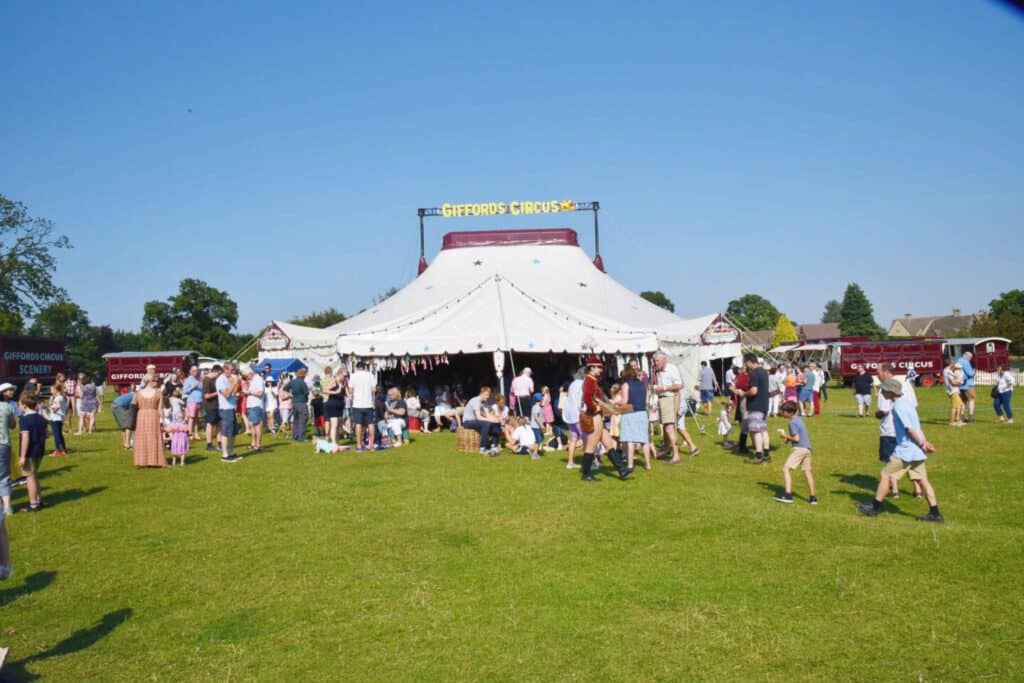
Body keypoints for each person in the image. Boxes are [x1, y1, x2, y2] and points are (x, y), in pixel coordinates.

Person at [857, 378, 943, 522]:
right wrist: (924, 443)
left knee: (885, 474)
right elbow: (917, 427)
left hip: (906, 451)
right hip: (917, 452)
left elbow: (909, 429)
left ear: (890, 391)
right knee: (923, 481)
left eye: (883, 390)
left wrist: (923, 444)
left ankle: (874, 508)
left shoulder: (898, 407)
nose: (881, 392)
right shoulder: (908, 403)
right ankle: (935, 513)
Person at [579, 356, 630, 482]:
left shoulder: (592, 380)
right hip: (594, 416)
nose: (601, 370)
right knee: (591, 446)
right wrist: (594, 408)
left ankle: (621, 470)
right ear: (592, 368)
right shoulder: (590, 380)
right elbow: (587, 397)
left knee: (608, 443)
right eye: (599, 367)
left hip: (598, 417)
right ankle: (586, 474)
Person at [876, 363, 922, 499]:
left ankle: (894, 490)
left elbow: (883, 410)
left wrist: (877, 414)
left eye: (877, 371)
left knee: (891, 462)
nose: (876, 375)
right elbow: (914, 404)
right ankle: (918, 489)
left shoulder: (884, 389)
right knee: (912, 461)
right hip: (908, 431)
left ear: (885, 372)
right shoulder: (906, 383)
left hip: (890, 430)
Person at [773, 401, 817, 505]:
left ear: (790, 412)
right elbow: (797, 437)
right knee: (807, 472)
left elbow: (796, 439)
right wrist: (787, 438)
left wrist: (785, 436)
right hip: (807, 449)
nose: (782, 413)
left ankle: (788, 495)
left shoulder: (792, 422)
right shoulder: (799, 420)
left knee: (786, 469)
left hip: (799, 449)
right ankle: (813, 498)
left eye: (783, 411)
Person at [652, 351, 691, 463]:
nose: (655, 363)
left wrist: (663, 388)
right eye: (654, 361)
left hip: (669, 399)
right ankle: (667, 450)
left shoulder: (672, 369)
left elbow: (679, 385)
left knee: (669, 428)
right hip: (662, 400)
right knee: (665, 428)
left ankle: (676, 455)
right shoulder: (657, 370)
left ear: (664, 360)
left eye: (657, 361)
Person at [737, 353, 771, 465]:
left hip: (756, 405)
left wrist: (744, 393)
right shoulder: (764, 372)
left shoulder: (754, 373)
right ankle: (766, 454)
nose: (746, 365)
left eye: (746, 363)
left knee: (755, 431)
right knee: (763, 430)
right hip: (764, 405)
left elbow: (754, 391)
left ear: (749, 361)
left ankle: (758, 455)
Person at [618, 365, 652, 471]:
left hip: (630, 413)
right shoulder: (643, 384)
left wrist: (616, 402)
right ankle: (647, 464)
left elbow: (624, 401)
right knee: (644, 440)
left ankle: (630, 465)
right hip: (642, 413)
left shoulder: (625, 385)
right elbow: (646, 401)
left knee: (630, 440)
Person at [18, 396, 49, 512]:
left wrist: (22, 456)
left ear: (24, 406)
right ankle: (39, 499)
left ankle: (33, 504)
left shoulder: (25, 420)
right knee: (34, 475)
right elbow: (46, 434)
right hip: (40, 450)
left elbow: (25, 438)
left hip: (29, 452)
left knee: (29, 477)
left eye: (19, 404)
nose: (19, 407)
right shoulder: (41, 417)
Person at [132, 375, 167, 468]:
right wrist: (163, 419)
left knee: (148, 437)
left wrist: (163, 420)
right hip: (151, 414)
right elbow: (160, 408)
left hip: (143, 415)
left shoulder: (139, 392)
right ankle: (149, 460)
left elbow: (133, 403)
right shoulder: (158, 392)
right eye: (154, 380)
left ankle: (146, 461)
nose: (156, 381)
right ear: (149, 381)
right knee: (149, 437)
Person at [215, 363, 241, 462]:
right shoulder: (221, 380)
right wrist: (235, 383)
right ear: (224, 369)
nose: (232, 372)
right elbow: (226, 395)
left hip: (231, 408)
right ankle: (225, 455)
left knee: (233, 432)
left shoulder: (227, 379)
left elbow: (232, 392)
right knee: (226, 432)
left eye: (233, 370)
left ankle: (231, 452)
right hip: (225, 409)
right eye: (231, 370)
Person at [462, 386, 499, 456]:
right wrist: (490, 420)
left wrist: (495, 419)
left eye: (488, 395)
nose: (487, 397)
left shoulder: (484, 402)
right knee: (486, 424)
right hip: (467, 422)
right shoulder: (476, 400)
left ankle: (494, 446)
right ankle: (482, 448)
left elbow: (488, 414)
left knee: (495, 424)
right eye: (486, 395)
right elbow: (479, 417)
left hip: (476, 421)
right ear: (481, 393)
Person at [349, 363, 376, 451]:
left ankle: (359, 445)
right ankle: (371, 445)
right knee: (370, 424)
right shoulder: (370, 375)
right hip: (368, 403)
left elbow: (350, 390)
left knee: (358, 424)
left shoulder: (353, 376)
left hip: (357, 404)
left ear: (357, 368)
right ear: (365, 367)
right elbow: (374, 389)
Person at [562, 370, 584, 470]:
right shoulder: (582, 384)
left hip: (569, 414)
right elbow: (582, 399)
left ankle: (570, 462)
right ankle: (594, 461)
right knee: (587, 439)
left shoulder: (572, 384)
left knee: (573, 438)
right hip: (577, 414)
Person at [0, 383, 16, 517]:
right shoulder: (8, 407)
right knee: (4, 476)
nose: (12, 392)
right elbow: (13, 425)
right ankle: (7, 507)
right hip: (3, 443)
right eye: (9, 390)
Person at [244, 367, 265, 452]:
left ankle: (258, 445)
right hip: (252, 405)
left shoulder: (258, 379)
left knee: (256, 426)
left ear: (250, 373)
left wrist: (249, 392)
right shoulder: (253, 380)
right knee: (252, 425)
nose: (246, 378)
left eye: (246, 376)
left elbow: (260, 393)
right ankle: (253, 443)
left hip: (256, 405)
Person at [202, 365, 222, 452]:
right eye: (219, 373)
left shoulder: (215, 380)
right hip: (209, 406)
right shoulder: (207, 380)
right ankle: (209, 444)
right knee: (209, 424)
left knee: (219, 424)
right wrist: (217, 393)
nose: (219, 375)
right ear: (216, 372)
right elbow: (206, 396)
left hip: (217, 405)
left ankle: (220, 443)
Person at [46, 383, 69, 457]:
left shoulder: (58, 398)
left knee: (56, 435)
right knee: (59, 434)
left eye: (52, 390)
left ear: (56, 390)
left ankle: (57, 450)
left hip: (55, 418)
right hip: (59, 418)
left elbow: (58, 406)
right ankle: (64, 450)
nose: (51, 391)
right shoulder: (61, 397)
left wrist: (53, 410)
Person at [288, 368, 310, 441]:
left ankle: (295, 436)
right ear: (303, 375)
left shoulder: (292, 381)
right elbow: (307, 393)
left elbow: (285, 388)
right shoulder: (302, 383)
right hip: (302, 403)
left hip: (294, 403)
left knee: (296, 420)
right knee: (302, 420)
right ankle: (301, 437)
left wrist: (291, 394)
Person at [324, 370, 347, 444]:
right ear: (339, 375)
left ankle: (337, 442)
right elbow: (325, 390)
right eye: (344, 376)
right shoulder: (334, 382)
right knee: (334, 424)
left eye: (347, 376)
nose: (345, 378)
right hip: (333, 404)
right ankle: (333, 443)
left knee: (337, 425)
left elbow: (346, 393)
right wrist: (336, 392)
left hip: (340, 405)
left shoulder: (343, 383)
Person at [942, 358, 965, 427]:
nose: (954, 365)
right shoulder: (947, 371)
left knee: (960, 405)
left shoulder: (949, 370)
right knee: (955, 407)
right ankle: (952, 422)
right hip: (952, 391)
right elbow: (953, 382)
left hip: (954, 390)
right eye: (953, 363)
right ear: (950, 363)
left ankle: (957, 420)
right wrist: (961, 382)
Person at [182, 366, 202, 440]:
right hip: (191, 401)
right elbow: (184, 391)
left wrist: (199, 386)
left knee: (197, 418)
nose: (195, 372)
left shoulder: (199, 379)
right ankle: (190, 433)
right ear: (190, 371)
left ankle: (196, 433)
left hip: (199, 400)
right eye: (193, 371)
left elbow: (203, 388)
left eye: (196, 371)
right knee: (191, 417)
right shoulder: (188, 380)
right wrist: (192, 387)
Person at [959, 350, 976, 423]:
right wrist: (974, 371)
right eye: (970, 357)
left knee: (963, 401)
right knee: (971, 400)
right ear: (966, 356)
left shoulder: (958, 361)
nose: (970, 359)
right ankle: (971, 417)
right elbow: (970, 374)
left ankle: (962, 417)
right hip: (968, 385)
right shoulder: (966, 362)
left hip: (960, 385)